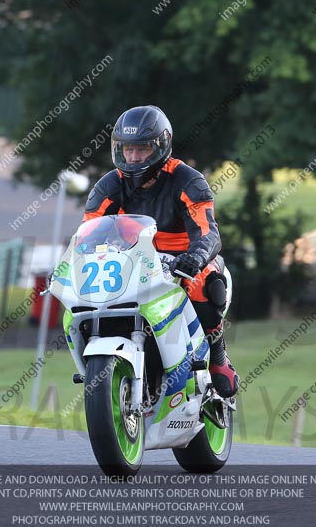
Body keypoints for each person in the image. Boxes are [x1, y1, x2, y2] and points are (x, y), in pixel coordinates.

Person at [82, 105, 238, 398]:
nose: (133, 157)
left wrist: (196, 257)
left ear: (161, 146)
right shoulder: (108, 186)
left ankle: (218, 357)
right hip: (134, 260)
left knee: (208, 287)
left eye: (141, 149)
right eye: (127, 149)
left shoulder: (187, 180)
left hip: (184, 260)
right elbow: (89, 232)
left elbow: (208, 232)